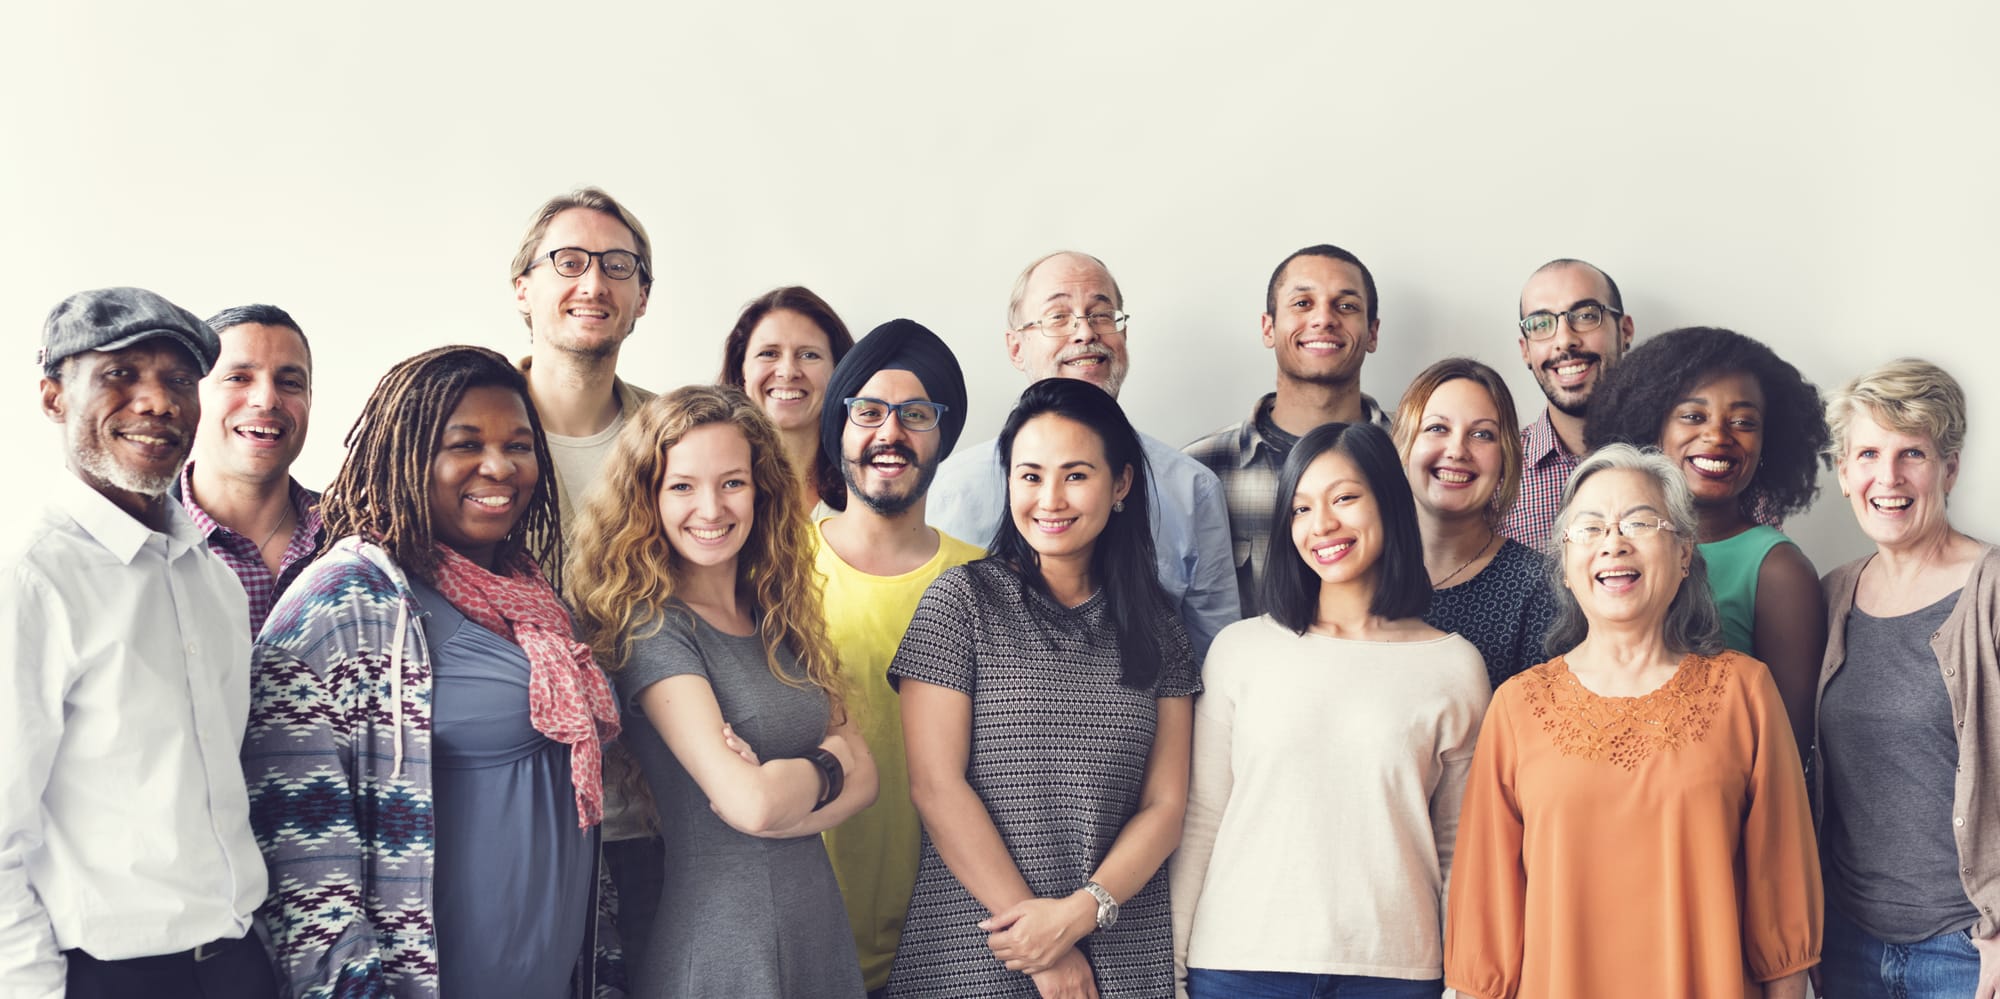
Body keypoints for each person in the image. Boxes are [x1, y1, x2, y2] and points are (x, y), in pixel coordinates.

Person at [245, 345, 622, 999]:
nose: (499, 466)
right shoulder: (345, 601)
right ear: (407, 453)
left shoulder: (531, 595)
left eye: (519, 444)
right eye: (465, 443)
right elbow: (300, 864)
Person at [1445, 444, 1821, 999]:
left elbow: (1783, 895)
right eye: (1590, 528)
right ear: (1567, 568)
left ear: (1684, 552)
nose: (1613, 543)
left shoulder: (1745, 693)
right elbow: (1486, 920)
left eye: (1640, 522)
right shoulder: (1517, 707)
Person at [889, 378, 1199, 998]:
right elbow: (935, 786)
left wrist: (1078, 914)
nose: (1049, 498)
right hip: (976, 948)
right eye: (1029, 476)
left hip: (1116, 950)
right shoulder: (961, 603)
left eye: (1075, 475)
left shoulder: (1161, 629)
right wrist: (1044, 952)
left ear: (1122, 485)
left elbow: (1164, 809)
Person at [4, 287, 273, 998]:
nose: (158, 401)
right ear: (53, 397)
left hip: (241, 962)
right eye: (120, 374)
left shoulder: (212, 579)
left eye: (180, 380)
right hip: (106, 978)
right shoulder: (28, 578)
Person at [568, 385, 876, 997]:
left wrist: (799, 786)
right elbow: (752, 806)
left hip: (817, 928)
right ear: (647, 498)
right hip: (723, 947)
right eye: (682, 486)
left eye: (732, 482)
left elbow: (868, 777)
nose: (710, 508)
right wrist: (828, 765)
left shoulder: (779, 615)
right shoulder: (650, 626)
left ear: (761, 491)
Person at [1171, 422, 1489, 998]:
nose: (1322, 526)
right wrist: (1172, 967)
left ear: (1389, 505)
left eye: (1344, 498)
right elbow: (1202, 819)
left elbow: (1459, 847)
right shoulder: (1241, 651)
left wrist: (1462, 984)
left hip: (1395, 972)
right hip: (1240, 966)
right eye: (1300, 508)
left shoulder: (1454, 666)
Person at [929, 251, 1239, 655]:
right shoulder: (953, 488)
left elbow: (1214, 658)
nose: (1085, 332)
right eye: (1058, 317)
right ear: (1016, 348)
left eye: (1101, 315)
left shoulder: (1191, 487)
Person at [1813, 359, 1999, 999]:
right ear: (1843, 474)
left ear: (1949, 468)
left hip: (1967, 950)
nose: (1886, 477)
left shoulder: (1992, 591)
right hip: (1847, 942)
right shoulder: (1834, 593)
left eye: (1911, 452)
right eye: (1867, 453)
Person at [509, 185, 664, 950]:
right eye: (568, 261)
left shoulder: (678, 438)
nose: (593, 283)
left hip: (656, 816)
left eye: (617, 265)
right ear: (523, 289)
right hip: (510, 809)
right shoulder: (463, 432)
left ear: (641, 298)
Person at [812, 318, 984, 997]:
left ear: (942, 435)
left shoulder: (987, 583)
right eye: (868, 411)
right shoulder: (770, 568)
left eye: (916, 414)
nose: (891, 433)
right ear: (840, 426)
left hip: (943, 941)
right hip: (802, 930)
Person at [1586, 326, 1828, 761]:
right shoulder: (1607, 552)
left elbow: (1788, 751)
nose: (1718, 435)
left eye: (1743, 422)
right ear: (1652, 425)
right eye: (1694, 416)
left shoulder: (1776, 570)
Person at [1186, 243, 1391, 617]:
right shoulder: (1199, 472)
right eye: (1302, 304)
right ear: (1268, 327)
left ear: (1373, 332)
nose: (1324, 319)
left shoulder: (1417, 454)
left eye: (1346, 306)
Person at [1392, 357, 1558, 687]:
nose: (1457, 450)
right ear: (1403, 445)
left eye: (1482, 434)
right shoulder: (1359, 569)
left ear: (1506, 460)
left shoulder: (1541, 589)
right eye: (1437, 428)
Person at [176, 303, 325, 636]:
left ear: (310, 400)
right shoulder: (136, 540)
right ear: (190, 394)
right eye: (238, 378)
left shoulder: (359, 538)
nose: (267, 399)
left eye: (289, 383)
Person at [1500, 258, 1635, 547]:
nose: (1564, 340)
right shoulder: (1496, 475)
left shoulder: (1680, 456)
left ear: (1625, 332)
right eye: (1541, 324)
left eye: (1586, 315)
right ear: (1525, 350)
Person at [718, 285, 856, 515]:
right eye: (769, 353)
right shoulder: (709, 485)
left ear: (838, 371)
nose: (788, 371)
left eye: (809, 355)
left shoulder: (866, 484)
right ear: (741, 369)